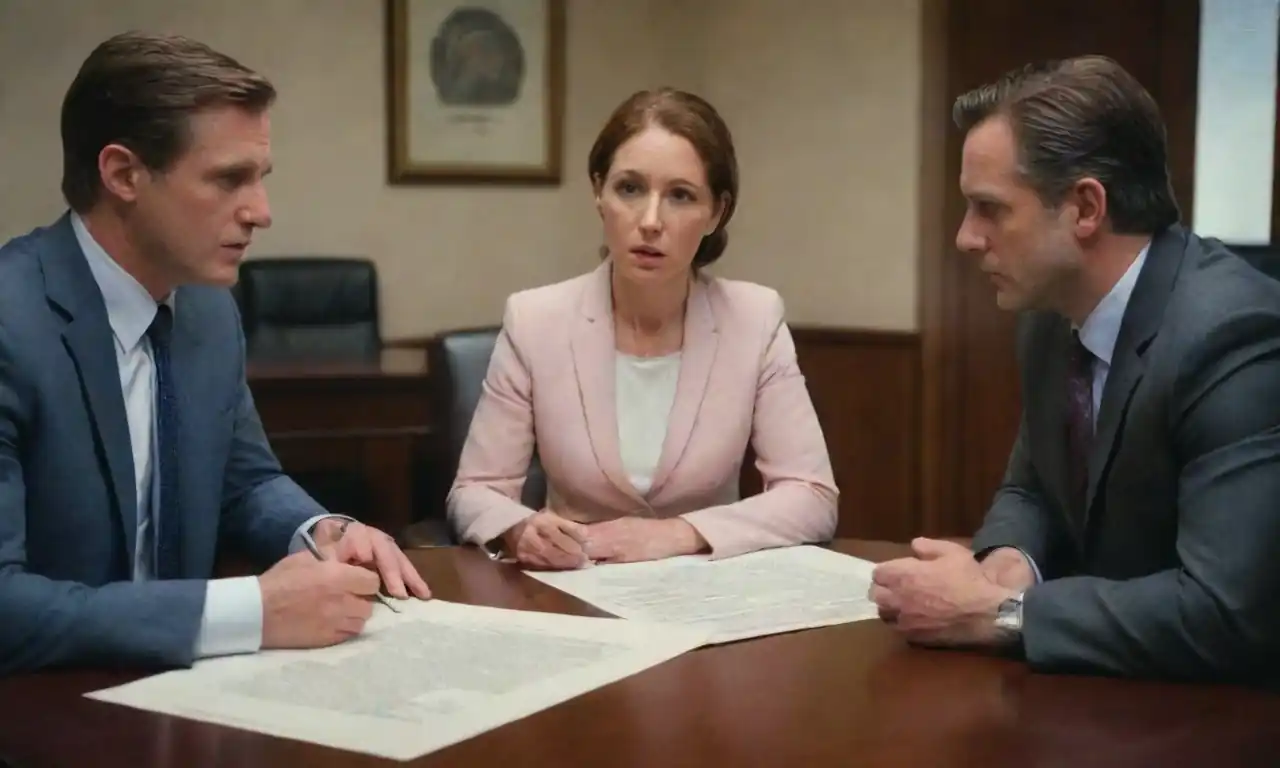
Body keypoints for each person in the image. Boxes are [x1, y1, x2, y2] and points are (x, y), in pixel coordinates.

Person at [0, 32, 430, 676]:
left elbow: (245, 482)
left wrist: (320, 532)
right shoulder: (11, 319)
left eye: (260, 179)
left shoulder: (206, 308)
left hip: (179, 703)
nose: (262, 212)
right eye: (230, 179)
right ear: (123, 174)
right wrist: (252, 612)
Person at [869, 56, 1280, 685]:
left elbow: (1225, 614)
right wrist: (1010, 564)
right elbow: (1032, 486)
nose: (966, 238)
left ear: (1085, 208)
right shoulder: (1050, 314)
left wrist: (1000, 613)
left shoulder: (1233, 335)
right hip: (1105, 697)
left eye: (990, 208)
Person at [448, 88, 838, 569]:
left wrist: (679, 534)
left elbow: (813, 496)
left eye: (680, 196)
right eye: (629, 188)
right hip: (572, 591)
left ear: (717, 212)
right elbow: (474, 492)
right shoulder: (535, 320)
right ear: (598, 191)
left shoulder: (755, 319)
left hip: (710, 599)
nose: (650, 221)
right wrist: (518, 530)